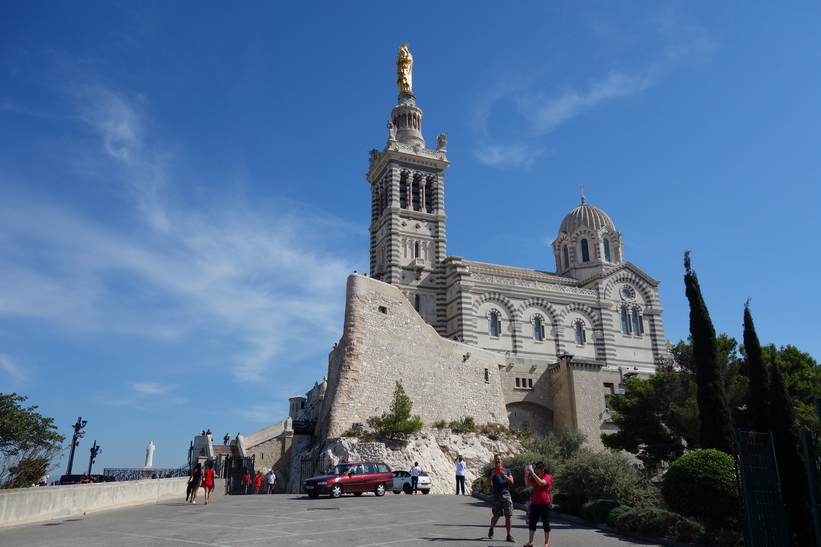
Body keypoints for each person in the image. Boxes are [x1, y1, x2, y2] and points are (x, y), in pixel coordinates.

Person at [485, 453, 515, 543]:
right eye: (496, 459)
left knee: (508, 515)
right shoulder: (491, 471)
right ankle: (491, 528)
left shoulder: (507, 471)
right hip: (497, 495)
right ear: (494, 461)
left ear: (501, 460)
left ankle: (509, 535)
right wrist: (492, 475)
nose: (498, 461)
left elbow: (512, 482)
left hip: (506, 494)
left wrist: (504, 475)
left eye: (499, 459)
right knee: (496, 515)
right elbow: (487, 484)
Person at [523, 461, 552, 547]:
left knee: (545, 523)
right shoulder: (536, 477)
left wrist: (532, 473)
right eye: (538, 468)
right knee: (532, 522)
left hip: (544, 502)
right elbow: (527, 483)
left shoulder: (547, 476)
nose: (539, 470)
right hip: (535, 502)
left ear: (544, 469)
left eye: (541, 468)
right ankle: (531, 542)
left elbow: (542, 483)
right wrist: (526, 475)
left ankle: (546, 543)